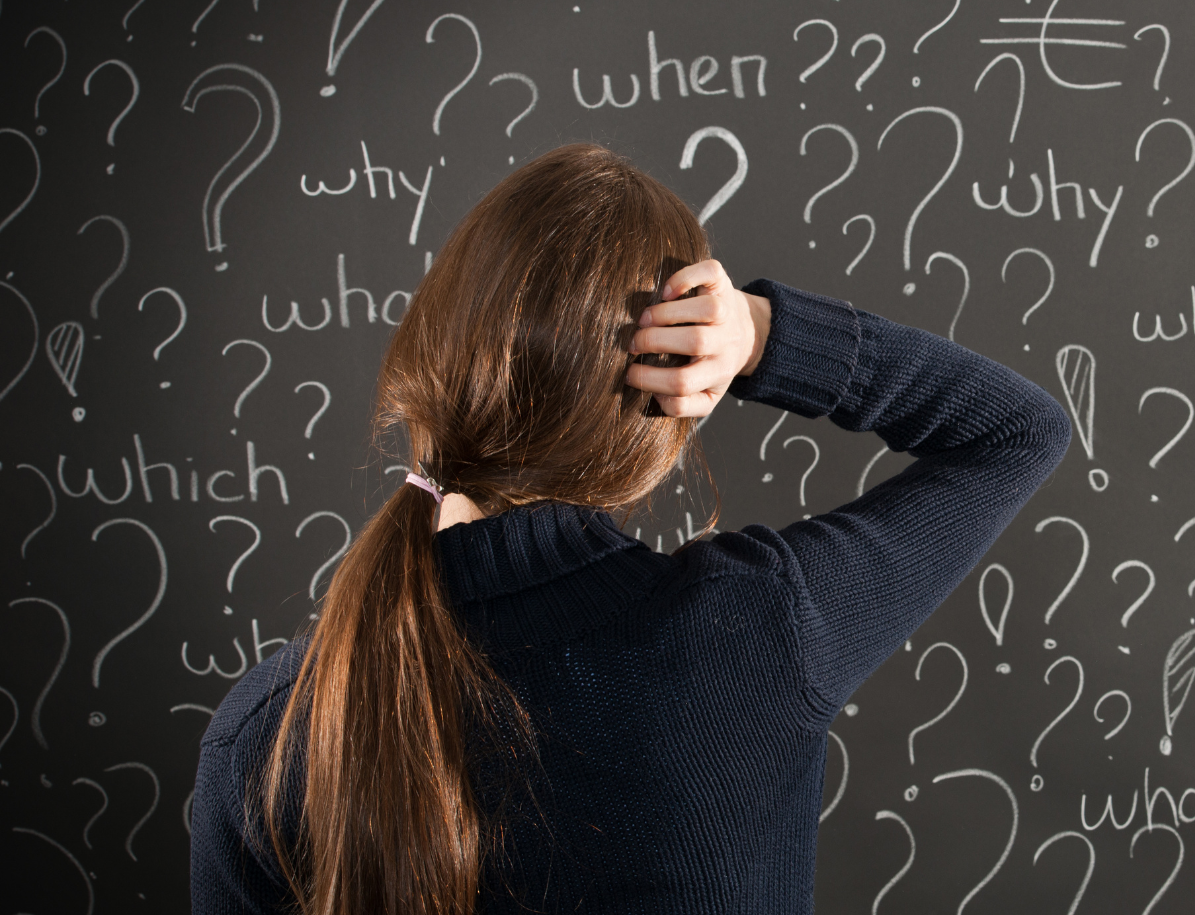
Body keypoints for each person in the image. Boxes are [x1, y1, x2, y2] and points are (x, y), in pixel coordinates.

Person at [189, 144, 1070, 914]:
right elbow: (1016, 430)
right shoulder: (754, 630)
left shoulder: (272, 730)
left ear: (429, 361)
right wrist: (763, 335)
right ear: (665, 408)